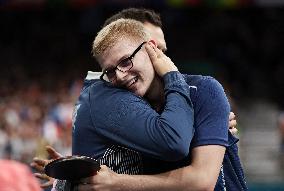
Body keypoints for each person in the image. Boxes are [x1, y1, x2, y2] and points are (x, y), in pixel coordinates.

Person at [32, 8, 244, 191]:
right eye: (113, 69)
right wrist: (73, 176)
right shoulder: (129, 106)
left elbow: (202, 181)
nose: (160, 55)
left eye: (161, 49)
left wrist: (118, 183)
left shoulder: (203, 89)